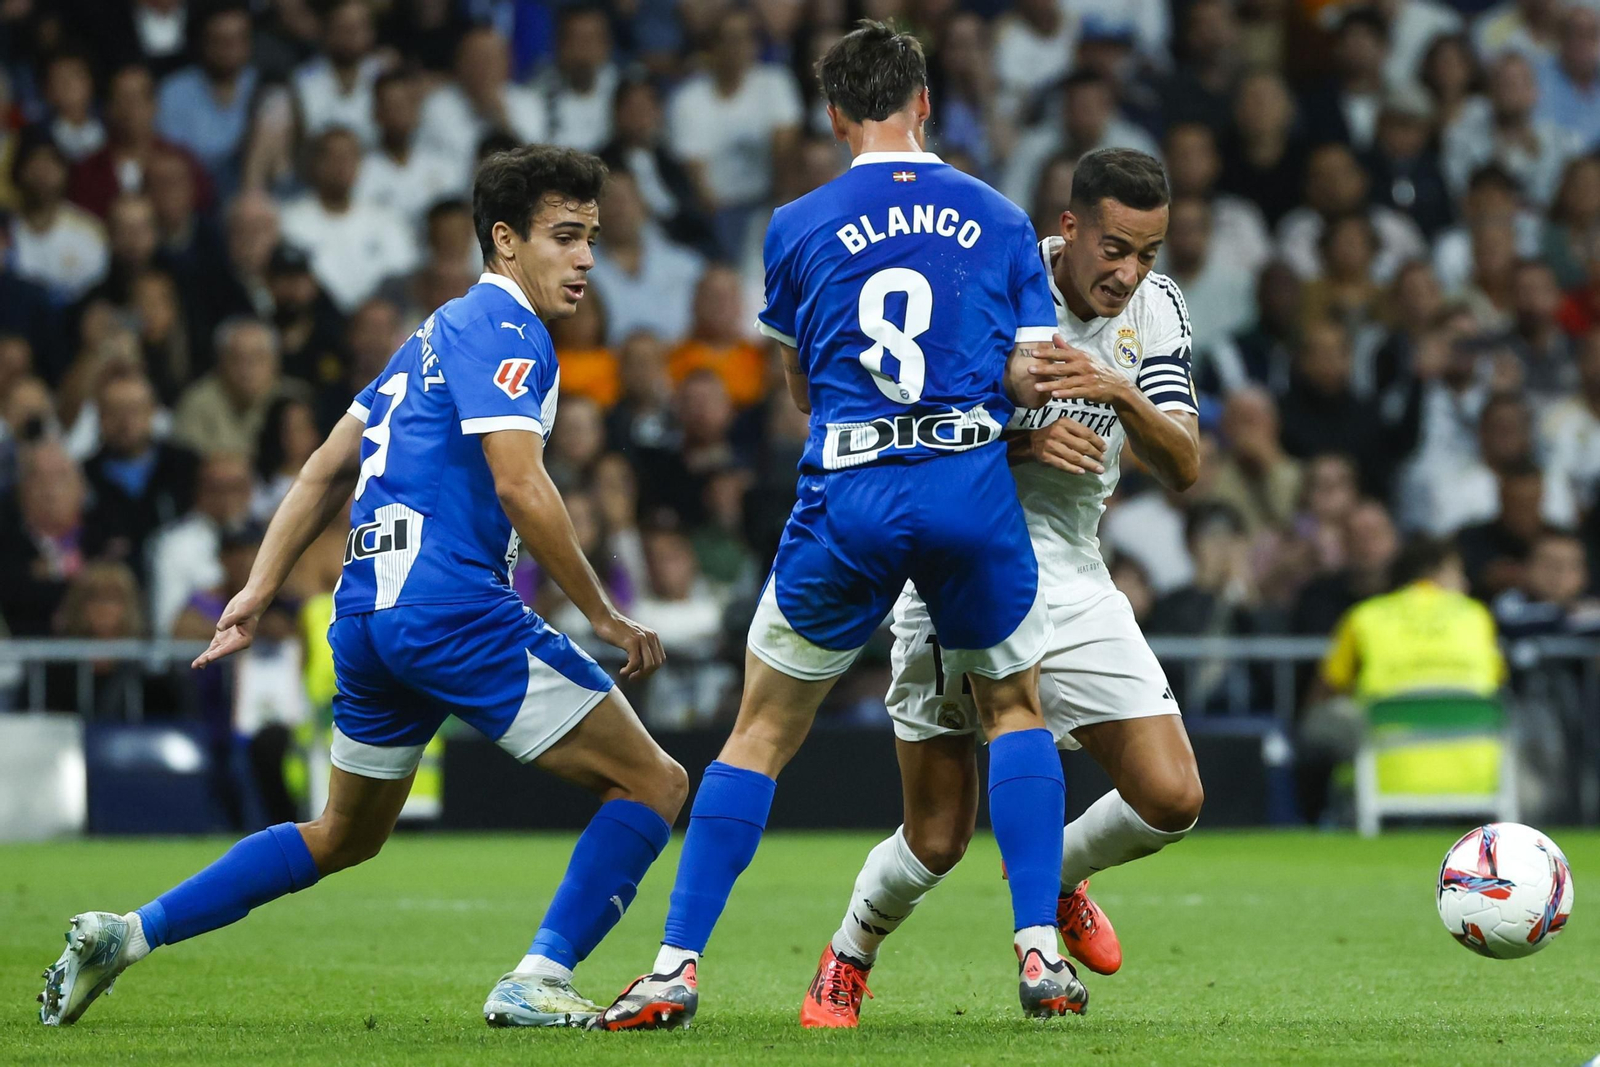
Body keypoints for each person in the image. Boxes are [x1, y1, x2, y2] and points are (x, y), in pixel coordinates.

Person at [38, 146, 688, 1031]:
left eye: (592, 239)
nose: (584, 260)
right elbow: (520, 484)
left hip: (365, 617)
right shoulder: (507, 329)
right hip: (449, 608)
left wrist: (259, 590)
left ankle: (129, 932)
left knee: (344, 834)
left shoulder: (426, 339)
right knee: (653, 781)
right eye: (565, 237)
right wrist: (605, 610)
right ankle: (538, 975)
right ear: (504, 240)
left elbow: (319, 471)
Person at [595, 22, 1070, 1032]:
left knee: (761, 731)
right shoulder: (998, 216)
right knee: (1014, 709)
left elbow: (802, 388)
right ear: (925, 101)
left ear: (833, 115)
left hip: (850, 489)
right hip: (965, 482)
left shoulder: (797, 223)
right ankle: (1038, 948)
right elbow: (1030, 374)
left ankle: (675, 966)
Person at [799, 147, 1203, 1028]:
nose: (1129, 272)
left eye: (1147, 252)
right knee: (937, 837)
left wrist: (1118, 393)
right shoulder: (987, 282)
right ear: (1069, 230)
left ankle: (1053, 880)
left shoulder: (1159, 310)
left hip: (1073, 565)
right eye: (1114, 248)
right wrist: (1021, 444)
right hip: (961, 555)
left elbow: (1185, 464)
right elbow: (901, 433)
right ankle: (848, 954)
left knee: (1173, 796)